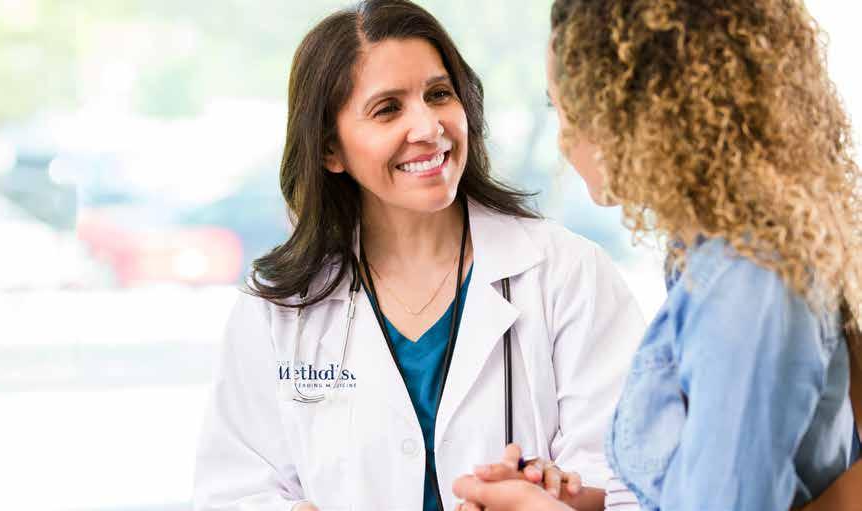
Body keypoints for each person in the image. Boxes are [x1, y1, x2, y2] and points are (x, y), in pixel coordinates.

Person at [191, 1, 646, 510]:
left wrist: (551, 500)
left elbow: (633, 485)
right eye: (388, 109)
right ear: (329, 150)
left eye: (439, 95)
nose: (429, 127)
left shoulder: (567, 274)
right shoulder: (279, 307)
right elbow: (234, 491)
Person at [453, 0, 862, 510]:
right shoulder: (708, 259)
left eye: (567, 110)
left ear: (636, 111)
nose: (563, 141)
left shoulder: (747, 286)